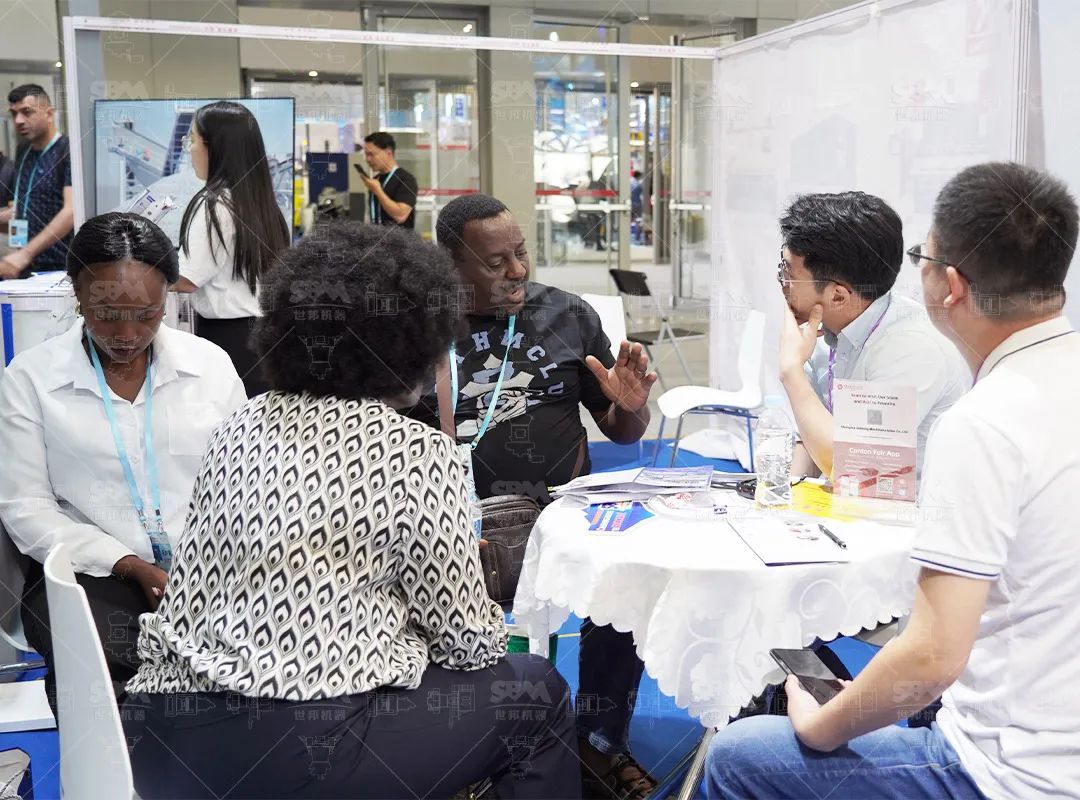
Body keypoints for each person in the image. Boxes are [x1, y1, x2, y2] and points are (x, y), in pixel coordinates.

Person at [121, 222, 580, 800]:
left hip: (158, 743)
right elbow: (468, 644)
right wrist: (468, 582)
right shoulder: (417, 451)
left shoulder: (239, 424)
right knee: (537, 692)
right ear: (416, 342)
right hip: (298, 754)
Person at [706, 161, 1080, 799]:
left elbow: (932, 657)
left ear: (949, 285)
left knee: (740, 755)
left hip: (1006, 771)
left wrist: (823, 724)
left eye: (921, 258)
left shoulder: (983, 421)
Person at [409, 194, 660, 800]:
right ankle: (464, 753)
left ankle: (598, 743)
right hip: (450, 522)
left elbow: (622, 429)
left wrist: (630, 407)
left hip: (562, 518)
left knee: (626, 579)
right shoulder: (416, 328)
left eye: (521, 253)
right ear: (451, 265)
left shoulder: (567, 315)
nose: (518, 270)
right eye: (496, 262)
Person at [0, 212, 246, 705]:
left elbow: (245, 478)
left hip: (206, 569)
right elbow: (25, 506)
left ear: (168, 297)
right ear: (77, 293)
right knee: (97, 661)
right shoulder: (31, 379)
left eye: (147, 314)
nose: (127, 333)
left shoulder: (210, 367)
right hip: (91, 571)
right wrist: (128, 564)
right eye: (107, 314)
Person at [776, 191, 967, 483]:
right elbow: (808, 437)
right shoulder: (827, 330)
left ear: (838, 296)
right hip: (845, 501)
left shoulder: (913, 349)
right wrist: (785, 493)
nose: (782, 283)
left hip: (899, 508)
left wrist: (791, 372)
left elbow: (854, 470)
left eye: (788, 274)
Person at [171, 101, 291, 397]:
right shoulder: (263, 205)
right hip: (264, 338)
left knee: (228, 419)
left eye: (193, 140)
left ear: (215, 147)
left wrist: (135, 276)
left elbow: (185, 279)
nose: (190, 149)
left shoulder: (214, 204)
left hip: (227, 340)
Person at [0, 84, 73, 279]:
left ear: (49, 114)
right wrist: (18, 252)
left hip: (58, 268)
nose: (18, 120)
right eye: (14, 114)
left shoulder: (67, 150)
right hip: (25, 266)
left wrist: (25, 253)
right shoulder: (23, 150)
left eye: (27, 112)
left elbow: (70, 212)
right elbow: (22, 207)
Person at [359, 131, 419, 229]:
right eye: (366, 155)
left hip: (400, 238)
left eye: (372, 154)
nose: (368, 159)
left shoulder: (406, 179)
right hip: (376, 236)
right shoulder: (375, 180)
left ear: (388, 153)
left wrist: (378, 191)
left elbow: (401, 216)